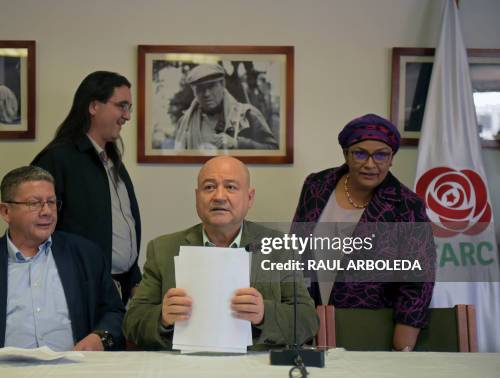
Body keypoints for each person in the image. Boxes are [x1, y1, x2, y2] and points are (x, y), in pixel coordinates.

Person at [123, 156, 318, 350]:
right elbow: (132, 323)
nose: (219, 196)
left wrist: (264, 314)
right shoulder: (163, 249)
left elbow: (307, 321)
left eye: (231, 187)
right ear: (197, 196)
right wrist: (162, 318)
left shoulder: (280, 248)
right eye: (209, 187)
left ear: (249, 198)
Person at [0, 166, 124, 353]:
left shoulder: (86, 255)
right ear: (5, 212)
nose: (46, 211)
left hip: (73, 370)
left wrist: (100, 337)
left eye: (52, 202)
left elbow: (115, 313)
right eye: (34, 203)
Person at [291, 113, 436, 351]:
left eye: (381, 154)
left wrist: (402, 349)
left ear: (391, 159)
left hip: (372, 331)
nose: (371, 164)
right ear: (346, 154)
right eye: (360, 153)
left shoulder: (407, 205)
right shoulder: (316, 186)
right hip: (311, 323)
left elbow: (418, 284)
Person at [32, 71, 141, 304]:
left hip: (117, 292)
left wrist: (133, 280)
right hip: (77, 293)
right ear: (93, 106)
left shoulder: (112, 161)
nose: (127, 116)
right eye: (122, 106)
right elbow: (35, 232)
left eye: (129, 107)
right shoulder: (56, 159)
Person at [174, 64, 279, 150]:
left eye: (211, 86)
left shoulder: (248, 114)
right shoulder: (185, 123)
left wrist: (238, 144)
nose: (206, 94)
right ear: (194, 91)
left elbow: (273, 150)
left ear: (222, 84)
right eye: (200, 89)